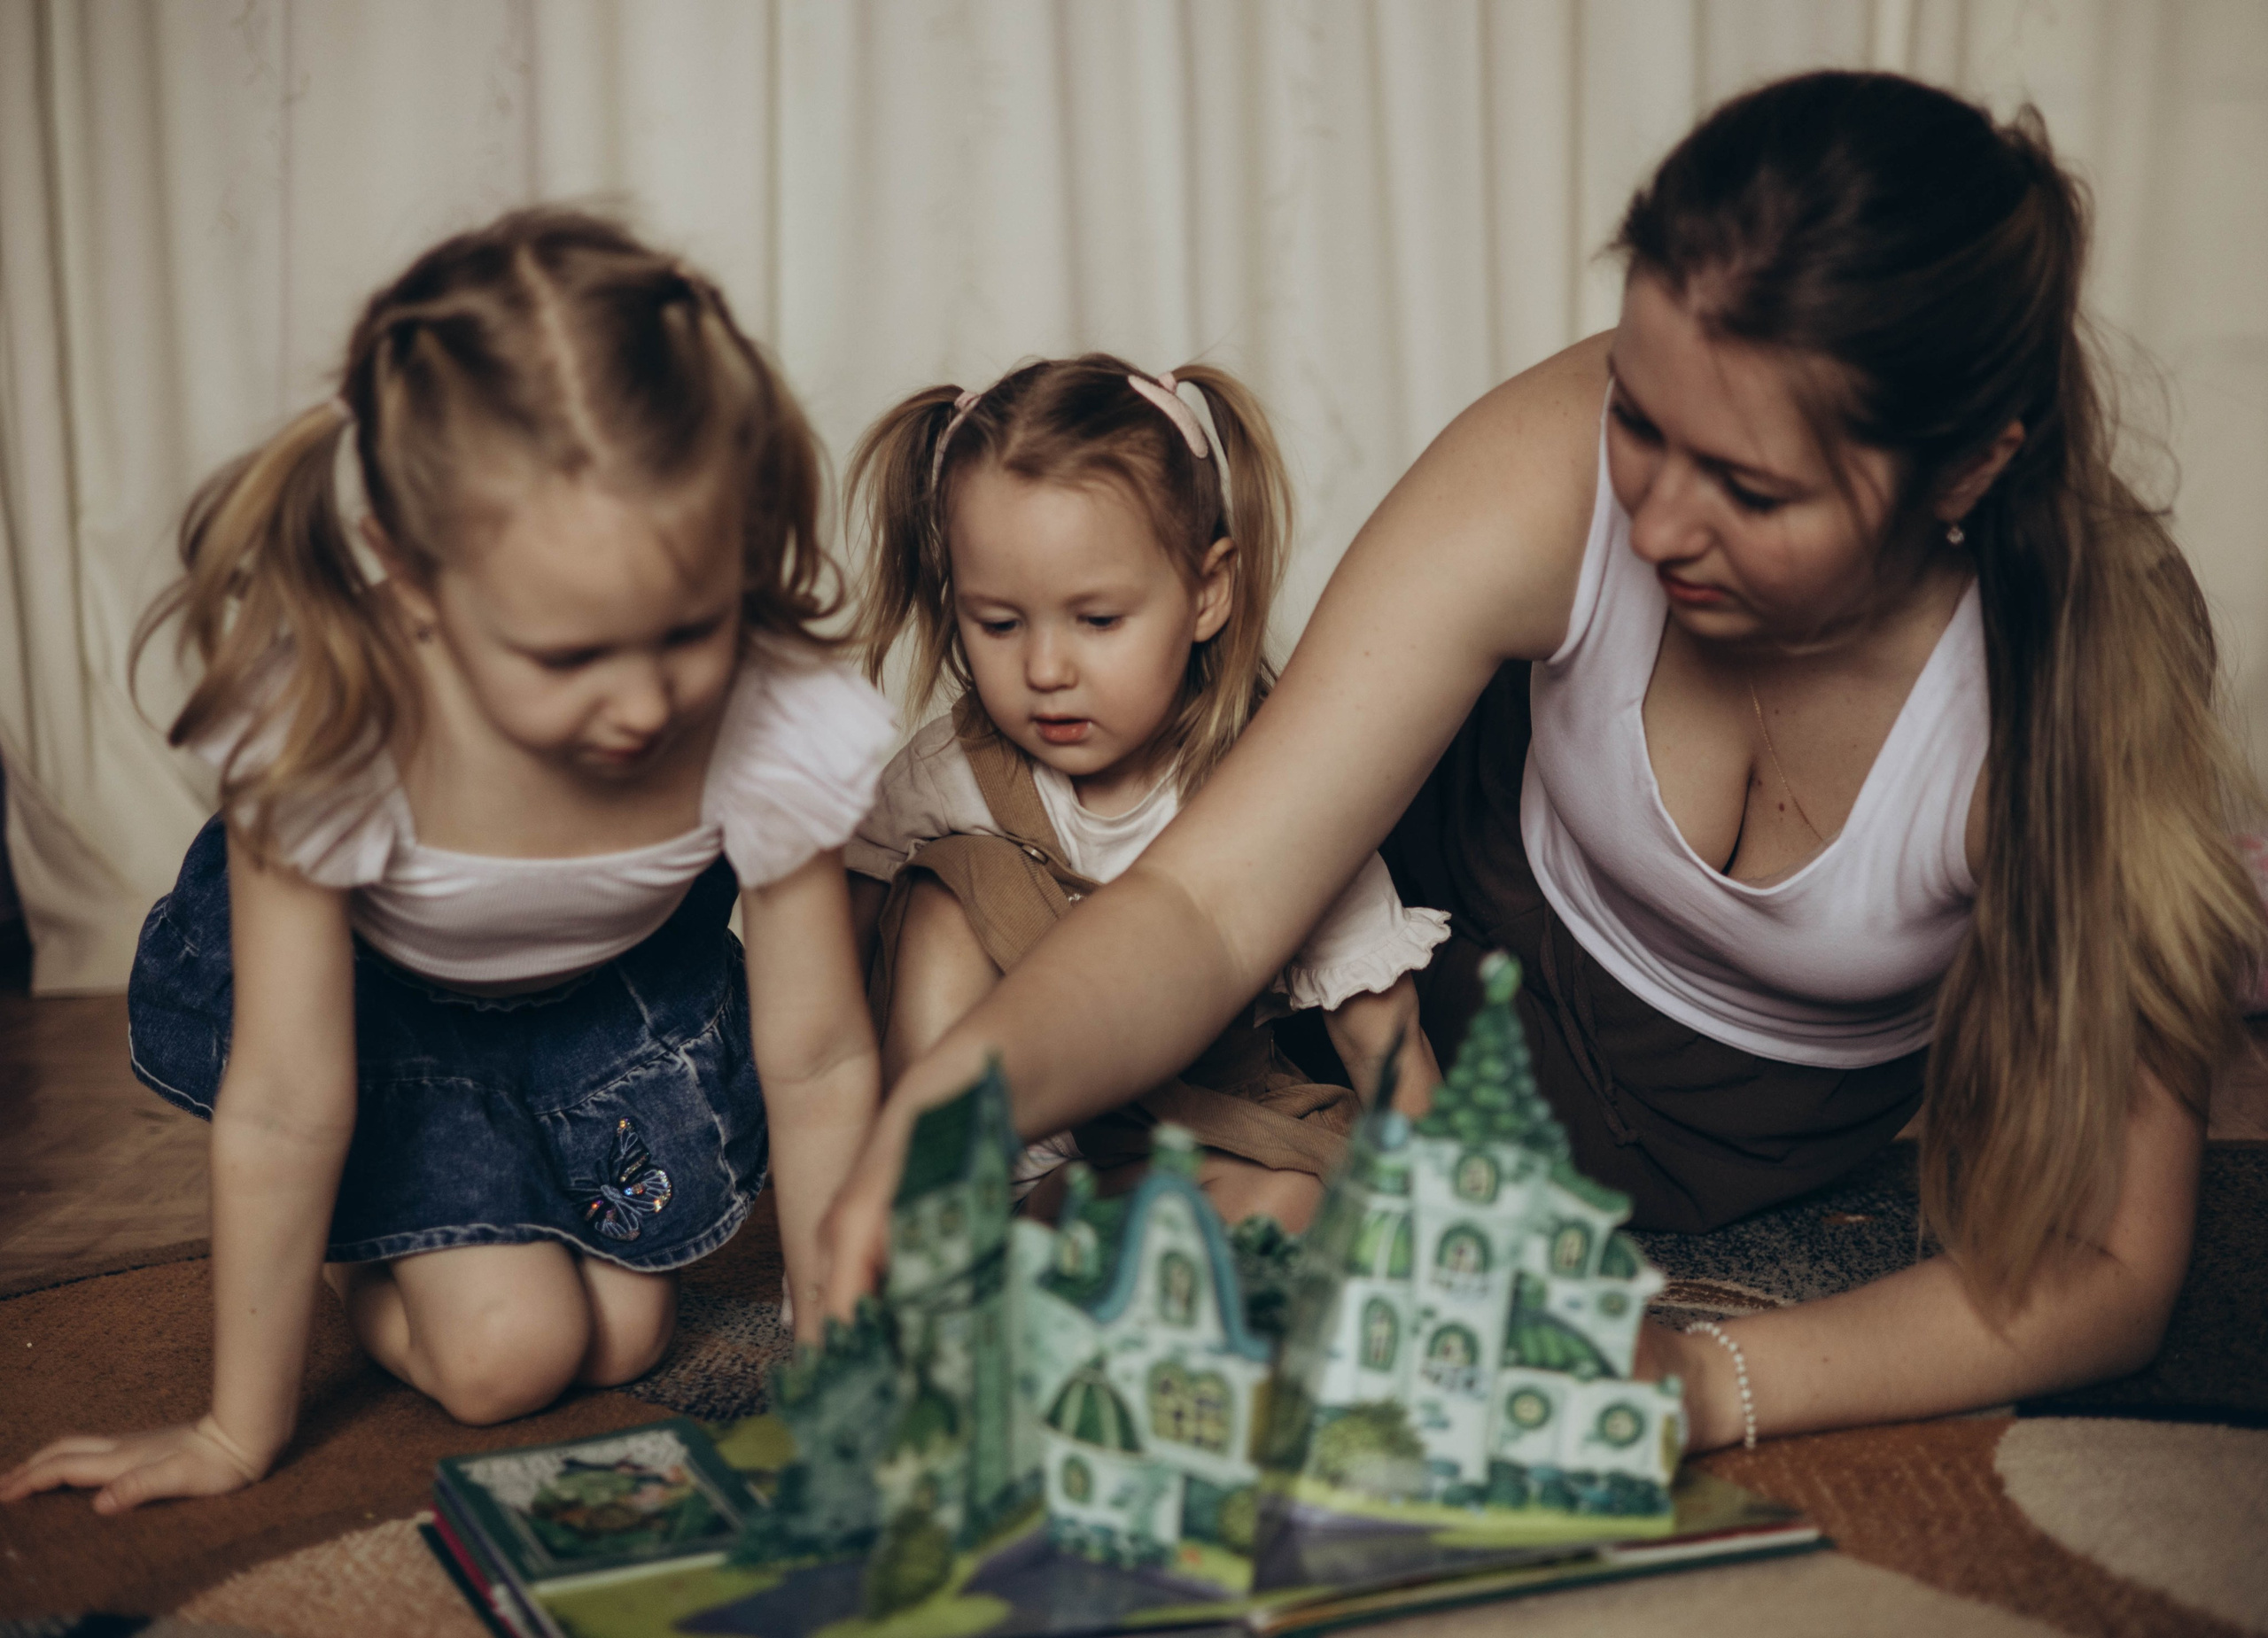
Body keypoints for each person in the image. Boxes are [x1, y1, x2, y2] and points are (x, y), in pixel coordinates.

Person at [818, 73, 2264, 1452]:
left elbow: (2110, 1262)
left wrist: (1711, 1377)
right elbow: (1212, 903)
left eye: (1751, 489)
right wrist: (965, 1088)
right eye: (1638, 415)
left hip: (1730, 1153)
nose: (1660, 519)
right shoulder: (1551, 455)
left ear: (1968, 471)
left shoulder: (2075, 664)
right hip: (1408, 999)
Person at [1, 210, 895, 1513]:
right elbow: (286, 1099)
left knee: (629, 1334)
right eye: (569, 657)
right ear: (413, 585)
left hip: (618, 1022)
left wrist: (832, 1352)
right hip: (388, 1036)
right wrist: (233, 1431)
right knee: (508, 1357)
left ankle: (480, 1231)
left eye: (688, 631)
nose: (645, 703)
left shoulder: (766, 711)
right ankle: (375, 1253)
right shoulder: (334, 728)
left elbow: (817, 1054)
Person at [842, 355, 1448, 1231]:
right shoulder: (956, 771)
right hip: (1001, 1143)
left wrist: (1444, 1207)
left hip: (1188, 1127)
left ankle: (1090, 1270)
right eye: (999, 623)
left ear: (1206, 592)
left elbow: (1378, 1029)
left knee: (1296, 1203)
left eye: (1096, 621)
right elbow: (836, 962)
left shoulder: (1270, 783)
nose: (1045, 670)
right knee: (943, 892)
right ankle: (935, 1222)